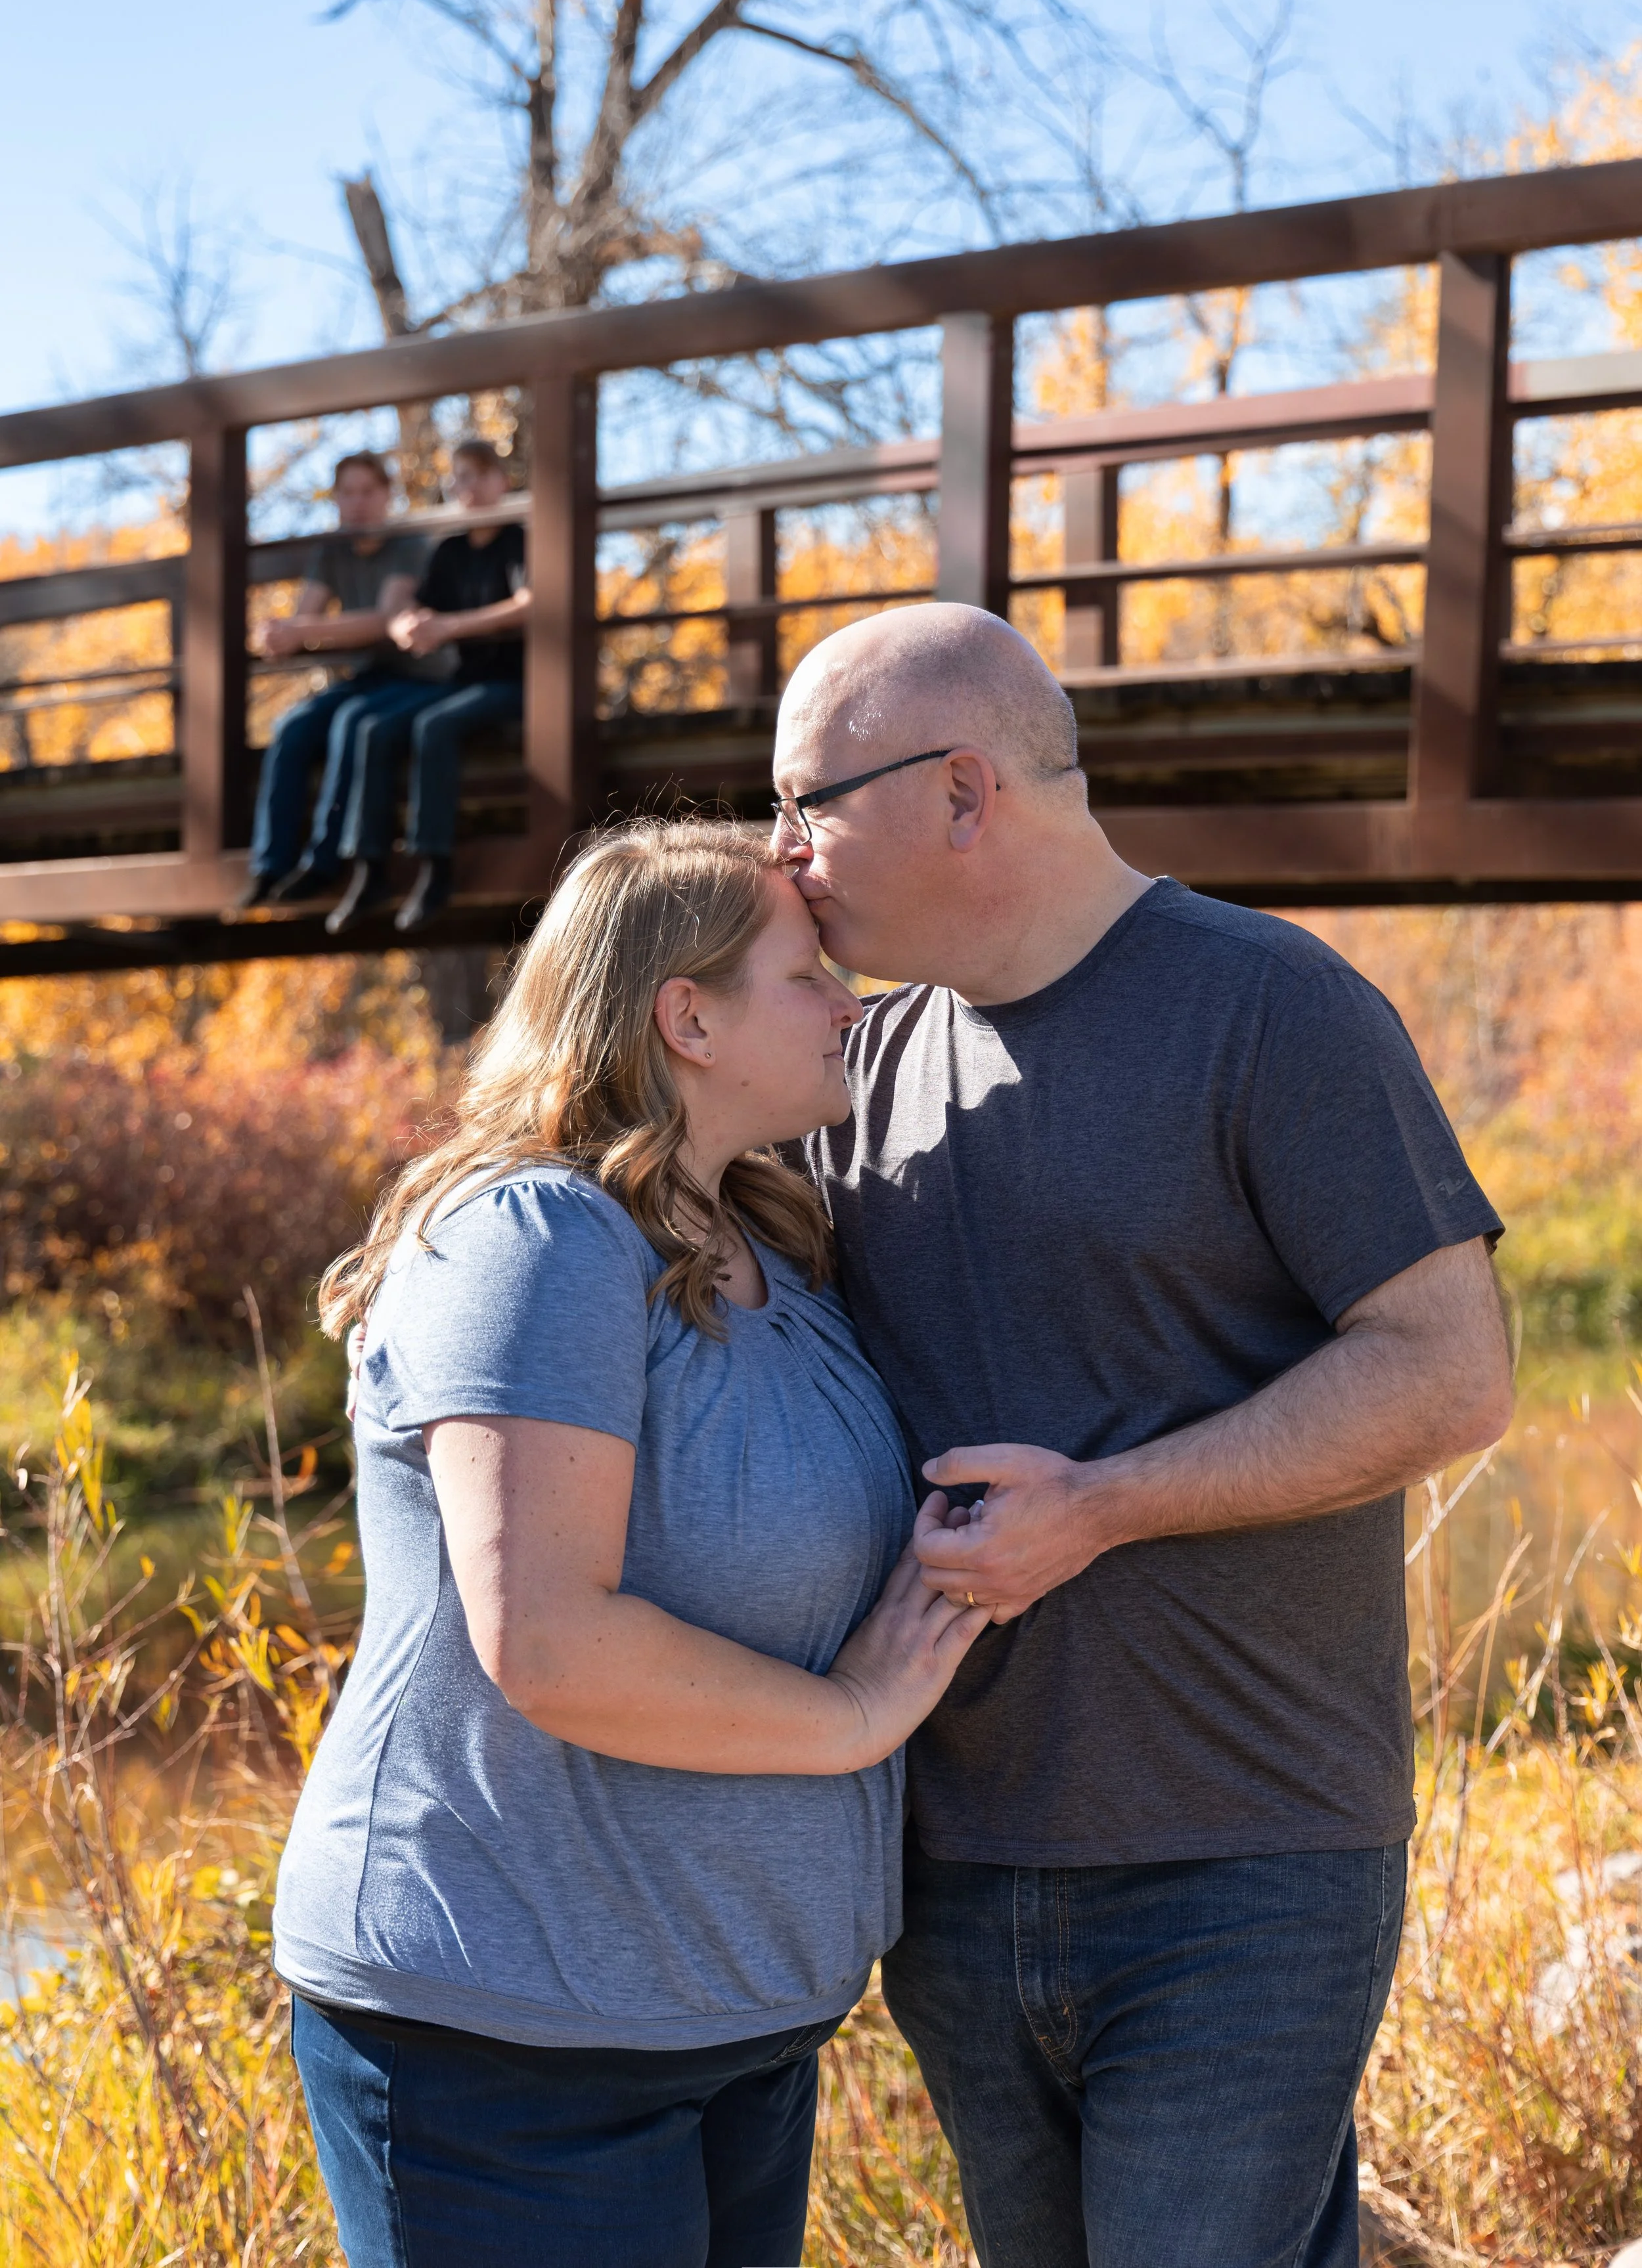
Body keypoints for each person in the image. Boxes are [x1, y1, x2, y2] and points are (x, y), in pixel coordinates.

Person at [770, 602, 1516, 2268]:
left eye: (806, 796)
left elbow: (1450, 1371)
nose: (782, 851)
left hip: (1242, 1856)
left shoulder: (1274, 1009)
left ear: (964, 789)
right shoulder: (855, 1065)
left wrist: (1104, 1504)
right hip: (953, 1859)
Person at [275, 817, 987, 2268]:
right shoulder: (532, 1238)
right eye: (806, 975)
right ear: (687, 1016)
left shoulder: (764, 1241)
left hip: (728, 2020)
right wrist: (853, 1715)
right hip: (504, 2031)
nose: (851, 1006)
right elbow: (548, 1641)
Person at [325, 437, 528, 938]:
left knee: (433, 727)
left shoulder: (519, 540)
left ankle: (434, 866)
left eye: (481, 475)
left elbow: (529, 603)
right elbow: (416, 610)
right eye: (460, 478)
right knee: (375, 728)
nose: (470, 488)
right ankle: (368, 865)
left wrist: (450, 627)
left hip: (514, 682)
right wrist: (407, 628)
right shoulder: (451, 550)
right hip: (463, 682)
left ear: (502, 482)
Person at [234, 452, 433, 910]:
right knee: (291, 727)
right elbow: (306, 619)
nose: (358, 503)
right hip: (363, 678)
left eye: (368, 492)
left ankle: (325, 861)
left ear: (386, 496)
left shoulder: (409, 545)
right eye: (348, 493)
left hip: (416, 677)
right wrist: (279, 634)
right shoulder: (331, 551)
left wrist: (300, 631)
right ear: (337, 499)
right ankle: (270, 865)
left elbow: (384, 620)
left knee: (350, 723)